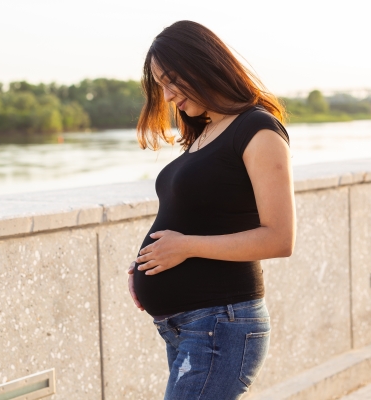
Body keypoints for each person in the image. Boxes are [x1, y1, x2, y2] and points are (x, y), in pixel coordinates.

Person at [127, 20, 296, 400]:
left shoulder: (257, 130)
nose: (168, 96)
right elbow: (202, 214)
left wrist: (184, 247)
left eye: (172, 80)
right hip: (190, 324)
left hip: (221, 322)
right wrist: (149, 263)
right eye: (161, 86)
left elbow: (280, 238)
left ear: (202, 62)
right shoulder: (204, 132)